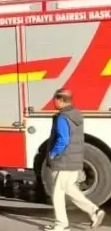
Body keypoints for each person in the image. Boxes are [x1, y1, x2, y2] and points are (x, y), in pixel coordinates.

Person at [44, 89, 105, 231]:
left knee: (57, 193)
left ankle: (61, 225)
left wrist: (53, 153)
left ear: (61, 100)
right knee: (70, 189)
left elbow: (63, 140)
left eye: (55, 100)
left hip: (63, 160)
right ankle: (94, 211)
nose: (53, 103)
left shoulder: (62, 117)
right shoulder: (76, 115)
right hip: (74, 159)